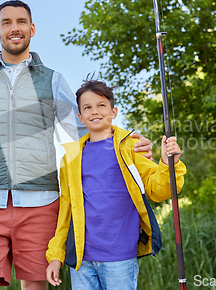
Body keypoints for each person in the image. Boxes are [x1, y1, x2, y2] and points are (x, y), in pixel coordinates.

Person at [0, 0, 154, 290]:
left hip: (40, 202)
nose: (14, 28)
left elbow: (89, 129)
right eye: (6, 23)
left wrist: (129, 143)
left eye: (21, 22)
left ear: (31, 29)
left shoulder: (53, 80)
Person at [45, 78, 187, 290]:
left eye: (101, 105)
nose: (95, 111)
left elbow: (157, 190)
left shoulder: (130, 147)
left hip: (120, 257)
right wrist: (56, 254)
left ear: (114, 112)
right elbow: (66, 209)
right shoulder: (71, 158)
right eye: (87, 107)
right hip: (82, 261)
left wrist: (168, 164)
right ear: (80, 117)